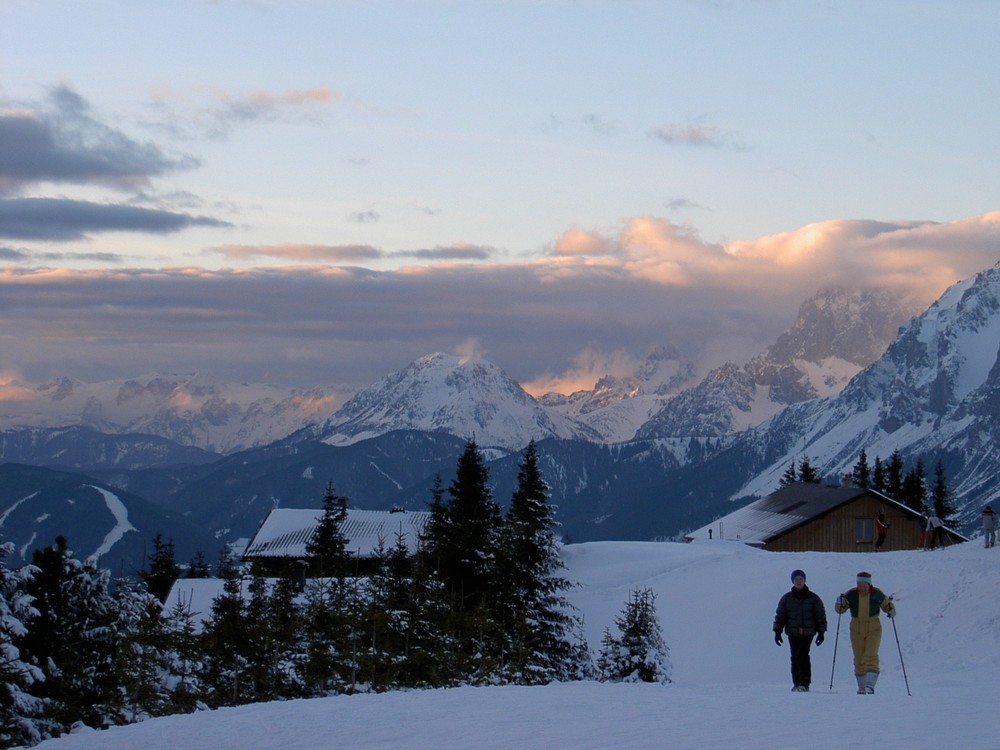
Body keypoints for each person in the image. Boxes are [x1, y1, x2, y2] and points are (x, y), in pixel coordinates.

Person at [834, 571, 895, 694]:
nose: (861, 588)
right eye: (859, 585)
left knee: (871, 654)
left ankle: (870, 685)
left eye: (864, 585)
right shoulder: (851, 594)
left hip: (873, 627)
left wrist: (891, 610)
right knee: (859, 657)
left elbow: (887, 605)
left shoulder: (876, 594)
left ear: (869, 585)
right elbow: (840, 610)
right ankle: (861, 687)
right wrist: (839, 603)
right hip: (856, 627)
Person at [773, 569, 827, 692]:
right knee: (794, 656)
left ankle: (804, 683)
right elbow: (780, 615)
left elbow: (820, 615)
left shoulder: (813, 598)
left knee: (802, 655)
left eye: (801, 579)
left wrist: (821, 632)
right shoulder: (786, 598)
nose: (798, 581)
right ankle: (796, 683)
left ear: (804, 580)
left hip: (808, 632)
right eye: (796, 579)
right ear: (792, 581)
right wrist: (778, 631)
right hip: (793, 632)